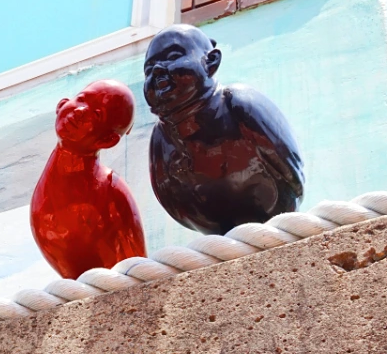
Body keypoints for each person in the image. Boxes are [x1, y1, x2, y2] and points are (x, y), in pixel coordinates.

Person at [144, 24, 304, 235]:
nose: (157, 70)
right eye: (148, 70)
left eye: (174, 56)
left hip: (277, 223)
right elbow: (177, 208)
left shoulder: (238, 102)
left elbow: (292, 177)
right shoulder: (161, 140)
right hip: (222, 242)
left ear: (211, 61)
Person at [31, 80, 147, 279]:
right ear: (62, 104)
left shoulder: (111, 188)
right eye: (82, 99)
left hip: (119, 285)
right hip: (80, 289)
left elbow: (139, 268)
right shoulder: (44, 194)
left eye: (97, 114)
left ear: (107, 140)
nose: (80, 111)